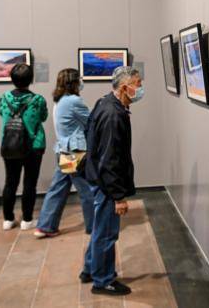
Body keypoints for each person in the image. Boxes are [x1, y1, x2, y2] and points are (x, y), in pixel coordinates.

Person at [81, 66, 144, 296]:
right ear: (125, 87)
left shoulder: (105, 103)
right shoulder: (113, 114)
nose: (140, 88)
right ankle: (103, 280)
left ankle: (90, 269)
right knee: (107, 233)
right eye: (137, 83)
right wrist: (118, 196)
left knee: (99, 229)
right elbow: (109, 160)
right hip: (106, 185)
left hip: (98, 180)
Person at [34, 68, 94, 238]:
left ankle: (46, 226)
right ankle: (94, 226)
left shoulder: (60, 100)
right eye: (79, 79)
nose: (81, 82)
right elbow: (90, 121)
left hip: (64, 151)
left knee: (58, 188)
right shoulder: (74, 101)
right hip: (74, 153)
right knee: (87, 190)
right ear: (73, 82)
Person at [0, 63, 48, 231]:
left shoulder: (4, 98)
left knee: (10, 182)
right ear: (31, 79)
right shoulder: (38, 99)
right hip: (34, 145)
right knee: (29, 183)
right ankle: (27, 220)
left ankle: (8, 219)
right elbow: (43, 116)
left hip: (10, 145)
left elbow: (2, 114)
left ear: (12, 79)